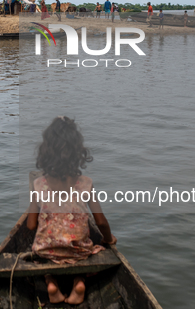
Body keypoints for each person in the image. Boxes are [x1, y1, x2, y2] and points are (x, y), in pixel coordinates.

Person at [27, 116, 117, 305]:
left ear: (46, 152)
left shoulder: (38, 184)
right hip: (78, 251)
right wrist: (109, 239)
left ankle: (51, 282)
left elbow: (30, 225)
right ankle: (79, 281)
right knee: (91, 250)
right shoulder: (86, 183)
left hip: (47, 251)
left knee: (39, 255)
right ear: (77, 152)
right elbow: (100, 222)